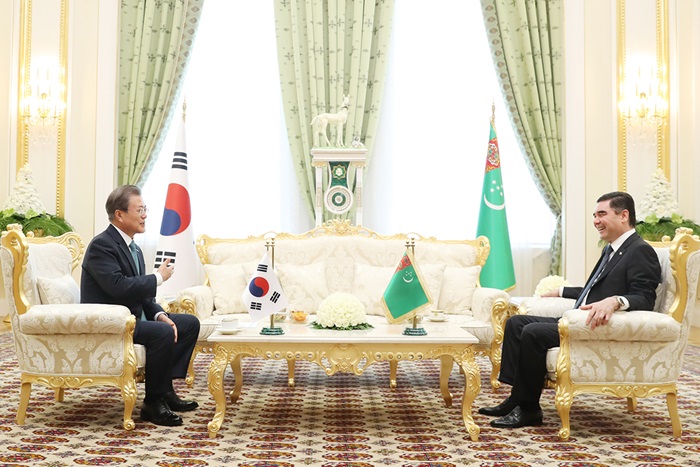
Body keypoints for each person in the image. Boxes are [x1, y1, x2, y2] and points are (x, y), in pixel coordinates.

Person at [479, 191, 661, 428]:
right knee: (516, 323)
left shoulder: (639, 250)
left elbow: (645, 297)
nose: (596, 220)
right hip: (578, 318)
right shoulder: (613, 249)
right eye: (594, 215)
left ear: (624, 215)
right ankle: (517, 399)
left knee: (532, 332)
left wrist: (616, 301)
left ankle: (529, 410)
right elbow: (593, 288)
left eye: (602, 214)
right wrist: (563, 291)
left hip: (597, 326)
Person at [81, 185, 200, 427]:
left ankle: (164, 390)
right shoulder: (101, 245)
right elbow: (119, 287)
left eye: (146, 209)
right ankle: (152, 403)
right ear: (120, 215)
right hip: (110, 323)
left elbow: (141, 293)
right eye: (140, 209)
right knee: (163, 334)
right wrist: (158, 277)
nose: (145, 215)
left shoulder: (133, 246)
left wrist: (159, 314)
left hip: (132, 318)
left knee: (188, 324)